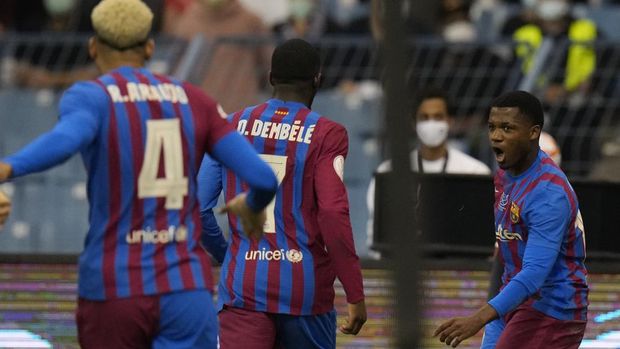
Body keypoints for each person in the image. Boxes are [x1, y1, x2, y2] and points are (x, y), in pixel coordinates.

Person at [0, 0, 278, 348]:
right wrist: (252, 205)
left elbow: (65, 140)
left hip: (115, 287)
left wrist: (7, 168)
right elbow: (264, 179)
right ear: (149, 47)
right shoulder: (195, 100)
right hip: (185, 288)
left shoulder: (91, 97)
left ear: (93, 46)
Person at [198, 38, 367, 349]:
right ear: (318, 79)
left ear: (271, 78)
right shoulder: (328, 134)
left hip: (244, 287)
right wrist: (354, 291)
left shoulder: (229, 126)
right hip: (305, 292)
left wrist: (229, 256)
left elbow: (198, 208)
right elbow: (332, 211)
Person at [434, 90, 588, 348]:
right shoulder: (505, 175)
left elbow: (534, 274)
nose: (496, 136)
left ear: (533, 132)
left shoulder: (549, 194)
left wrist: (478, 318)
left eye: (507, 128)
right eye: (492, 127)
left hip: (552, 309)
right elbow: (507, 253)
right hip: (513, 301)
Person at [366, 88, 491, 257]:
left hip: (459, 267)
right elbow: (376, 231)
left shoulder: (476, 172)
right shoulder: (389, 172)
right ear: (414, 123)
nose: (431, 123)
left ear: (450, 121)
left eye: (438, 117)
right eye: (424, 117)